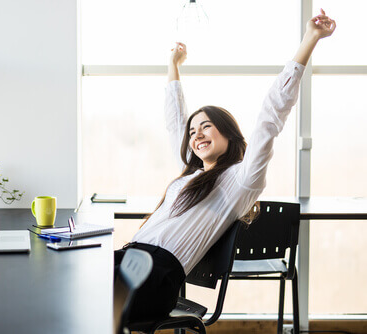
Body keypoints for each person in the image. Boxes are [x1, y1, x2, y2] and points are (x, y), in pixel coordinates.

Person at [115, 9, 336, 322]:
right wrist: (172, 66)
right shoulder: (191, 175)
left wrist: (309, 40)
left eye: (206, 127)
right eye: (193, 132)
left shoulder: (240, 181)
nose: (197, 135)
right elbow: (175, 120)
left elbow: (270, 116)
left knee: (68, 299)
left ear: (228, 133)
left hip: (155, 277)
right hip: (129, 260)